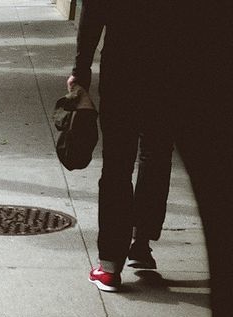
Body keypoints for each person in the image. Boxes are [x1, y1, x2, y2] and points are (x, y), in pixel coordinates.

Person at [69, 0, 178, 292]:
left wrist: (81, 70)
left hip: (123, 69)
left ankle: (109, 266)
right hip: (168, 70)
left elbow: (93, 15)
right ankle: (141, 243)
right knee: (156, 155)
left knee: (117, 164)